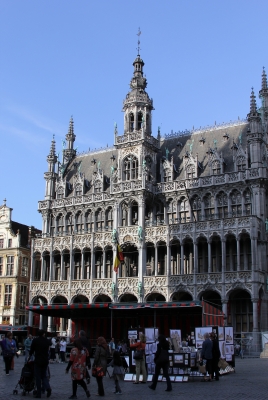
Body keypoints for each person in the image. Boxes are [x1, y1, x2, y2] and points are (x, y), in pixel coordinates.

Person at [29, 329, 52, 398]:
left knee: (38, 377)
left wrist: (30, 355)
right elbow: (50, 344)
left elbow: (31, 349)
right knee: (44, 376)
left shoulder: (35, 340)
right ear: (43, 334)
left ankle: (39, 393)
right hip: (45, 360)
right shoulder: (46, 340)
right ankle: (48, 387)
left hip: (38, 360)